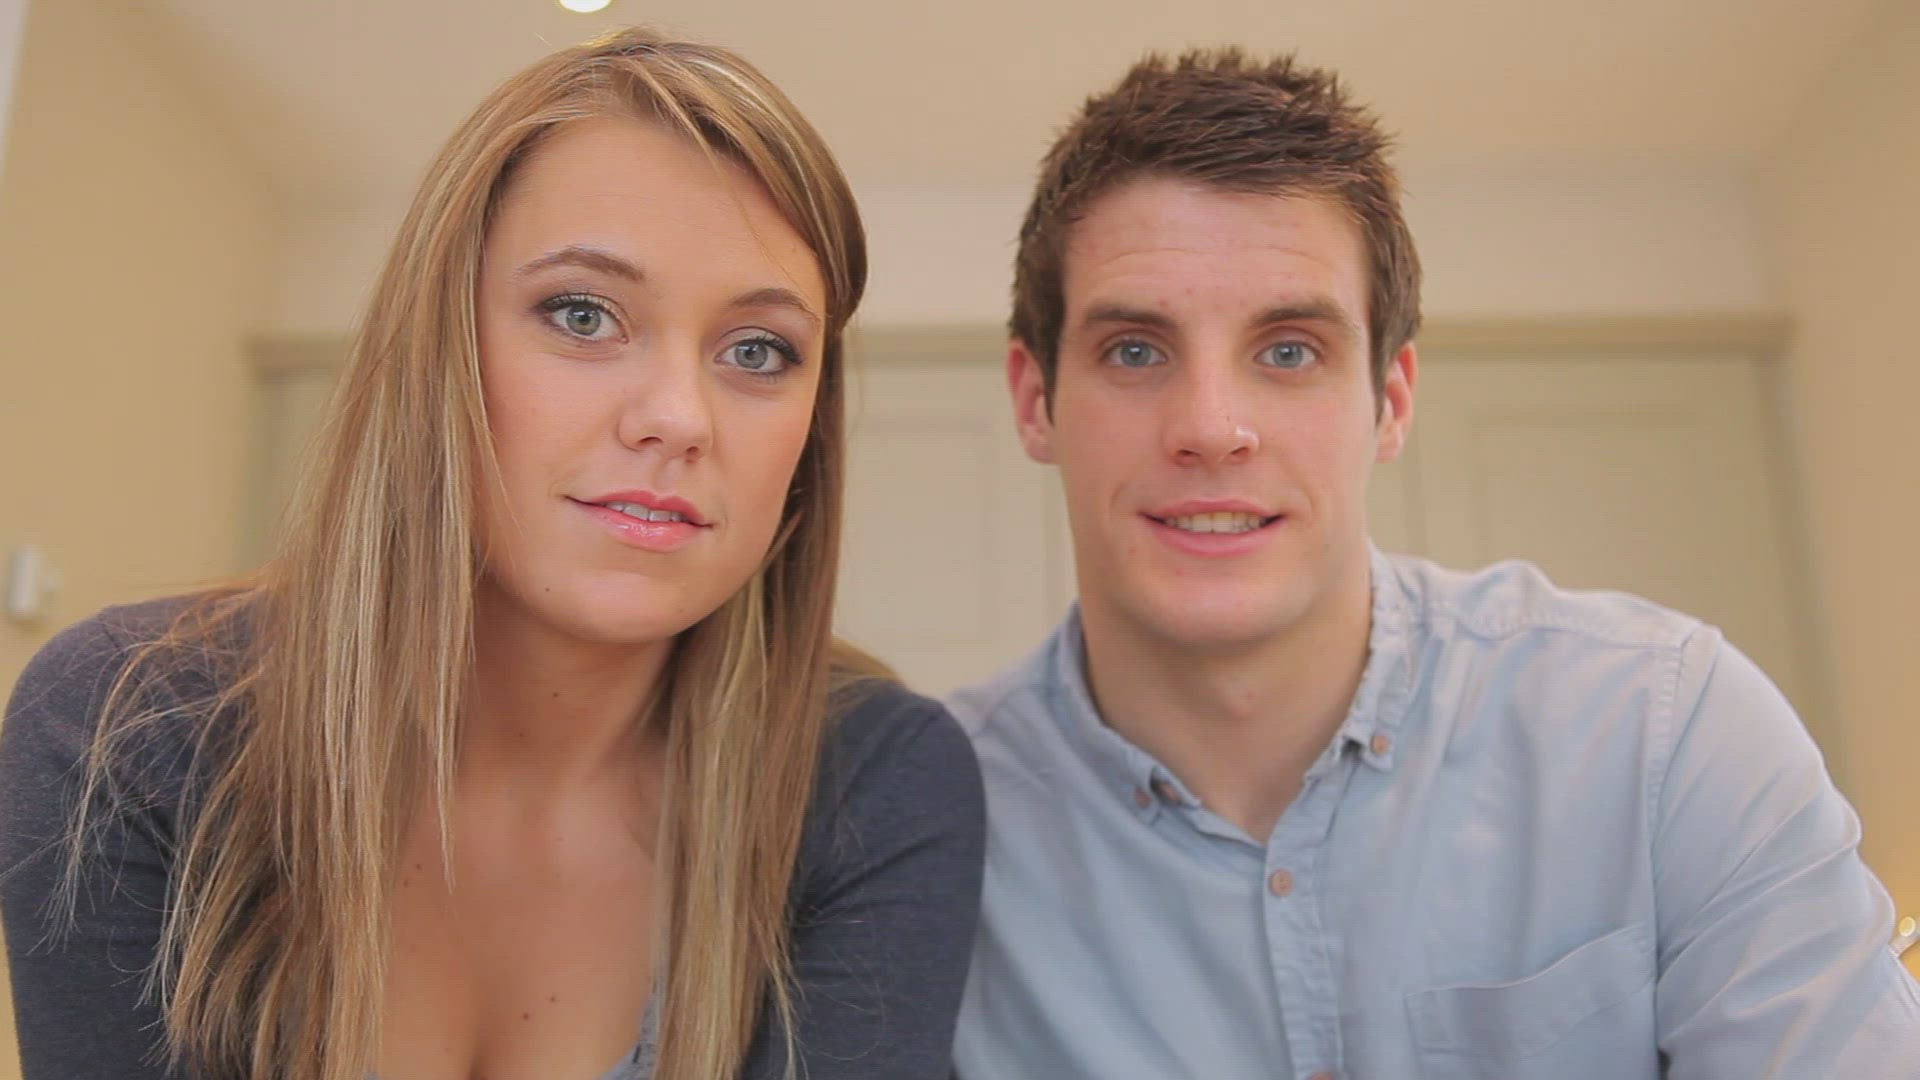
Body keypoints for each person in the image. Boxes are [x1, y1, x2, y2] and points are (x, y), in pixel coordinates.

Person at [1, 28, 983, 1080]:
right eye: (583, 314)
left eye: (758, 350)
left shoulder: (869, 784)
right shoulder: (128, 729)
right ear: (439, 353)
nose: (678, 416)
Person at [948, 47, 1920, 1078]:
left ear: (1392, 401)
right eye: (1136, 350)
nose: (1212, 428)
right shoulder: (914, 828)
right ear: (1035, 401)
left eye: (1289, 350)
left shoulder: (1666, 731)